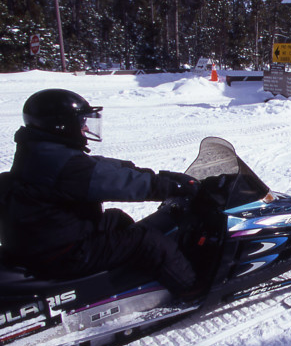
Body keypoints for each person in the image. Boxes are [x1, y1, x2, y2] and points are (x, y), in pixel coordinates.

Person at [0, 89, 199, 297]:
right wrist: (171, 187)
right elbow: (120, 183)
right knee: (148, 239)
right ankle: (189, 287)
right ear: (61, 125)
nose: (86, 127)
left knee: (116, 219)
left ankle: (126, 277)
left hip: (46, 241)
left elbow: (100, 166)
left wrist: (158, 175)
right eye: (81, 122)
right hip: (62, 254)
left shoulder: (40, 151)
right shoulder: (66, 166)